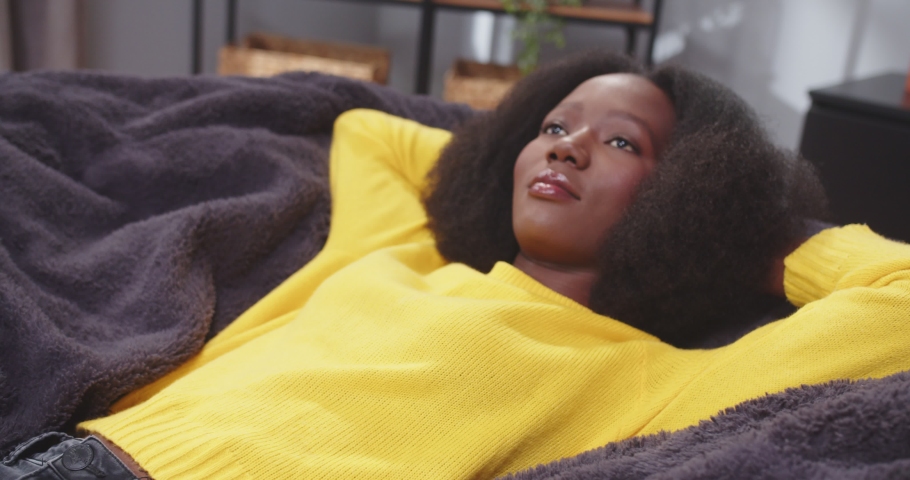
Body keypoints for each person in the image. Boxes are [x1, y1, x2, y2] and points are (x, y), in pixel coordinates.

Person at [3, 50, 909, 480]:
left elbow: (897, 298)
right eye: (553, 127)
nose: (567, 148)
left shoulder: (643, 379)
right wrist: (503, 145)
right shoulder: (404, 252)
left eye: (620, 142)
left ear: (686, 195)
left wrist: (753, 232)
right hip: (65, 456)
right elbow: (371, 132)